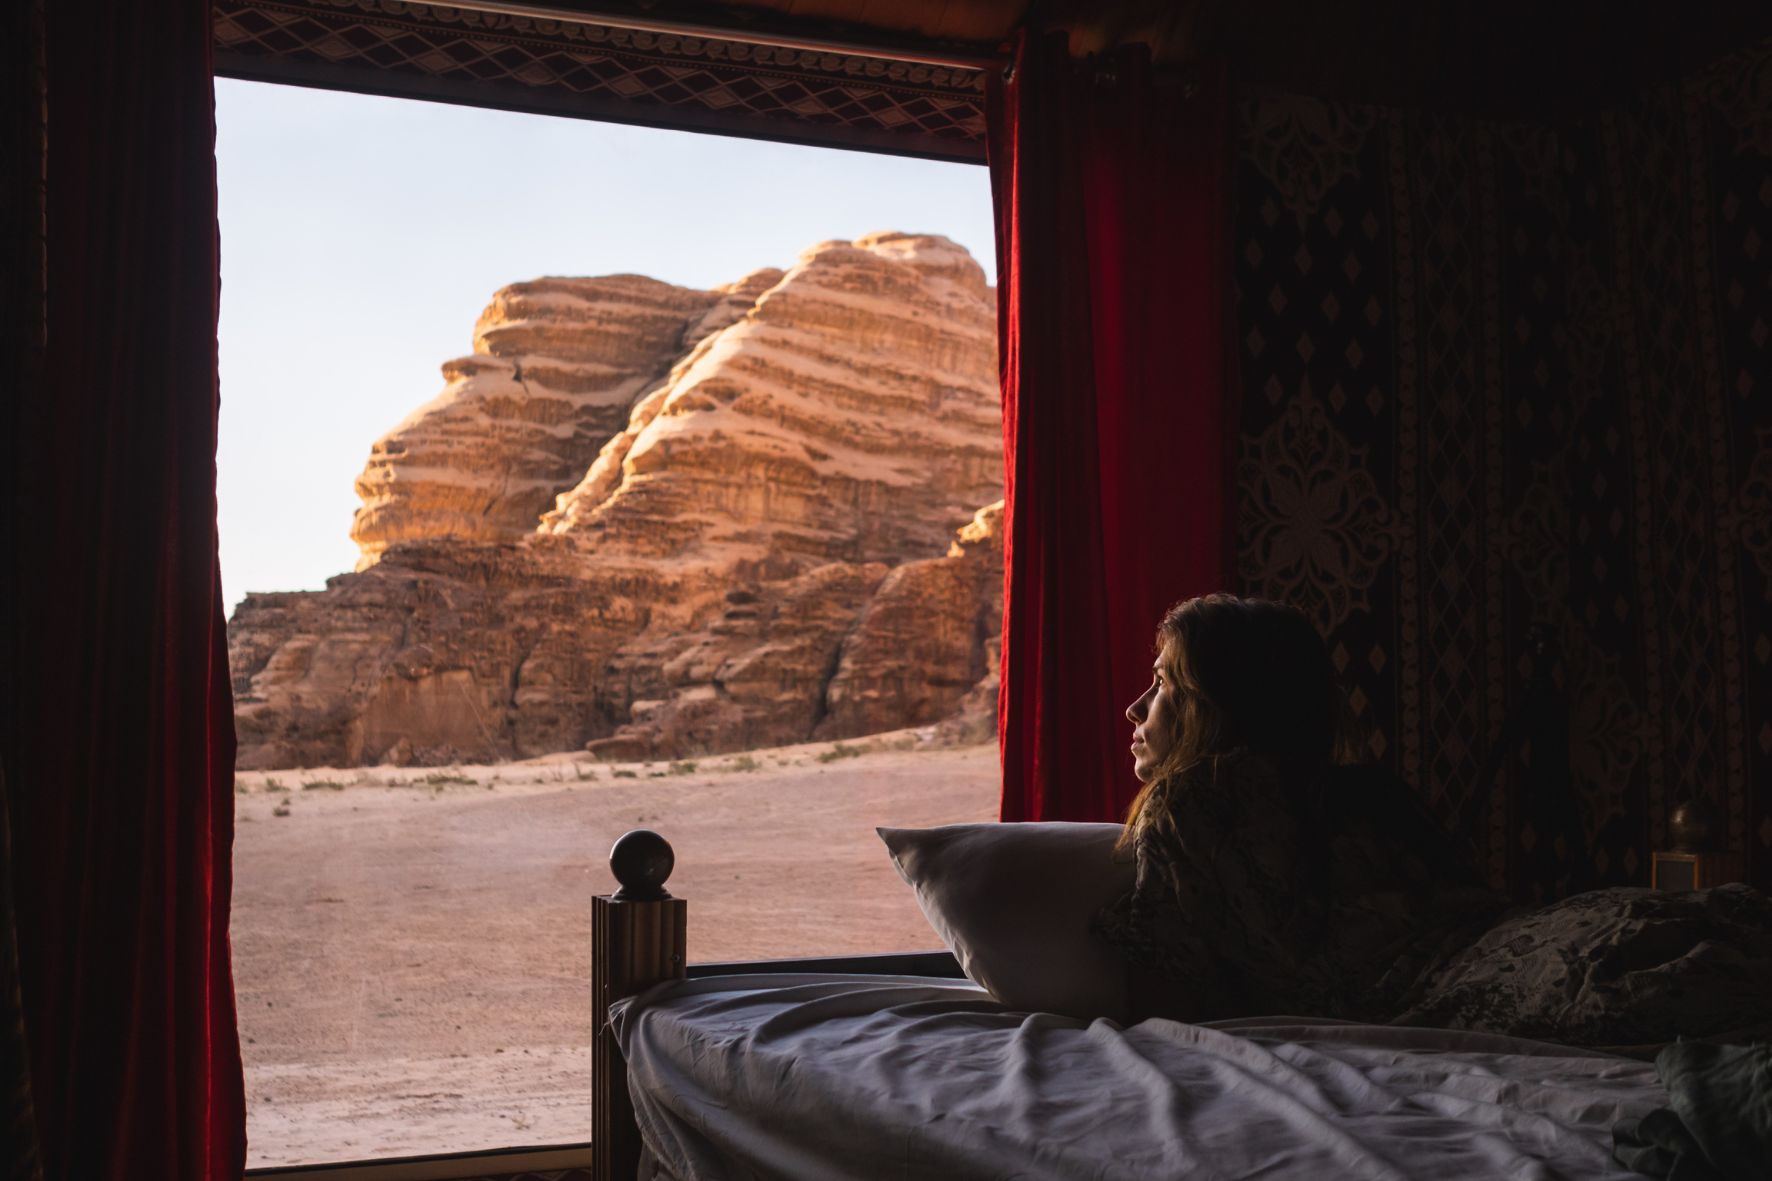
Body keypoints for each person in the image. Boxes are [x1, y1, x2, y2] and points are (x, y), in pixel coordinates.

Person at [1093, 593, 1772, 1047]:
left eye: (1164, 684)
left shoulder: (1188, 803)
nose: (1136, 708)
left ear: (1216, 705)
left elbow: (1164, 1018)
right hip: (1562, 925)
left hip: (1491, 983)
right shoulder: (1365, 790)